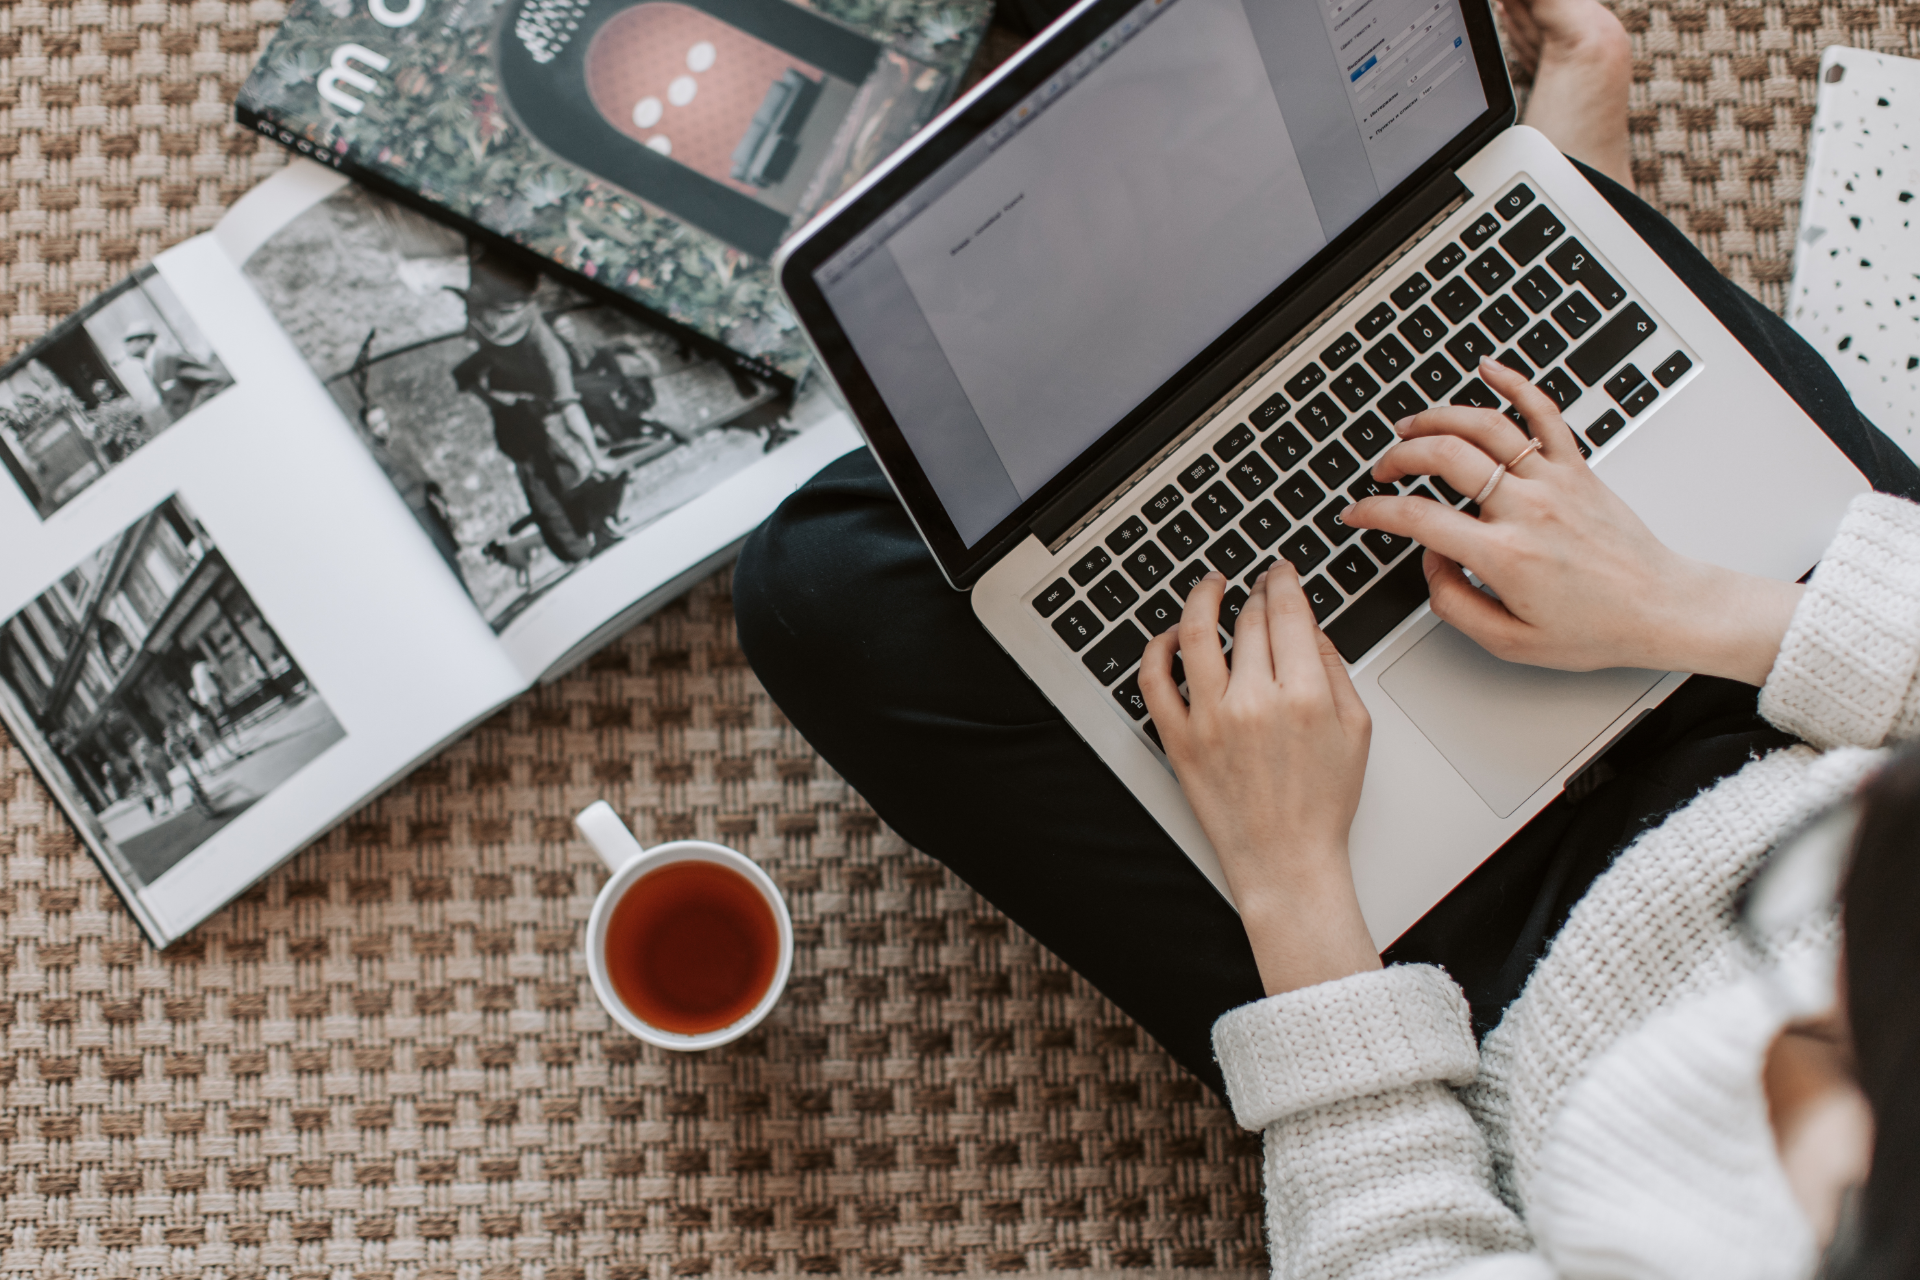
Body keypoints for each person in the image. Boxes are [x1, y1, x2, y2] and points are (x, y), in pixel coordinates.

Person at [731, 0, 1920, 1273]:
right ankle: (1516, 218)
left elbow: (1398, 1252)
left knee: (828, 579)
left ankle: (1513, 217)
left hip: (1464, 994)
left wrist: (1292, 877)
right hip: (1793, 694)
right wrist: (1677, 598)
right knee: (1559, 261)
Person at [449, 252, 627, 563]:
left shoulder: (548, 350)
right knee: (544, 483)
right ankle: (578, 547)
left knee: (561, 476)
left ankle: (590, 535)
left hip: (532, 413)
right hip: (519, 416)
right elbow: (570, 410)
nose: (496, 325)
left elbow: (569, 406)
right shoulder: (502, 315)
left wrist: (593, 456)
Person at [121, 326, 226, 422]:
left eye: (130, 341)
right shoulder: (151, 365)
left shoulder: (168, 358)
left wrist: (195, 413)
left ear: (145, 341)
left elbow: (213, 381)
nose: (126, 347)